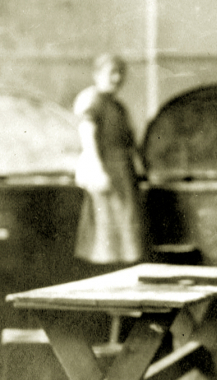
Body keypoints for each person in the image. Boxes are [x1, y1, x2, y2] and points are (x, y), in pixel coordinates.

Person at [73, 54, 144, 266]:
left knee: (126, 225)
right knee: (107, 227)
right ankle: (105, 271)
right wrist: (97, 169)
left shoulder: (118, 106)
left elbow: (129, 142)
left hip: (124, 172)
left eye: (120, 73)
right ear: (97, 75)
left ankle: (123, 269)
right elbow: (87, 134)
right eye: (111, 72)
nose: (116, 78)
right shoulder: (93, 101)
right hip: (107, 171)